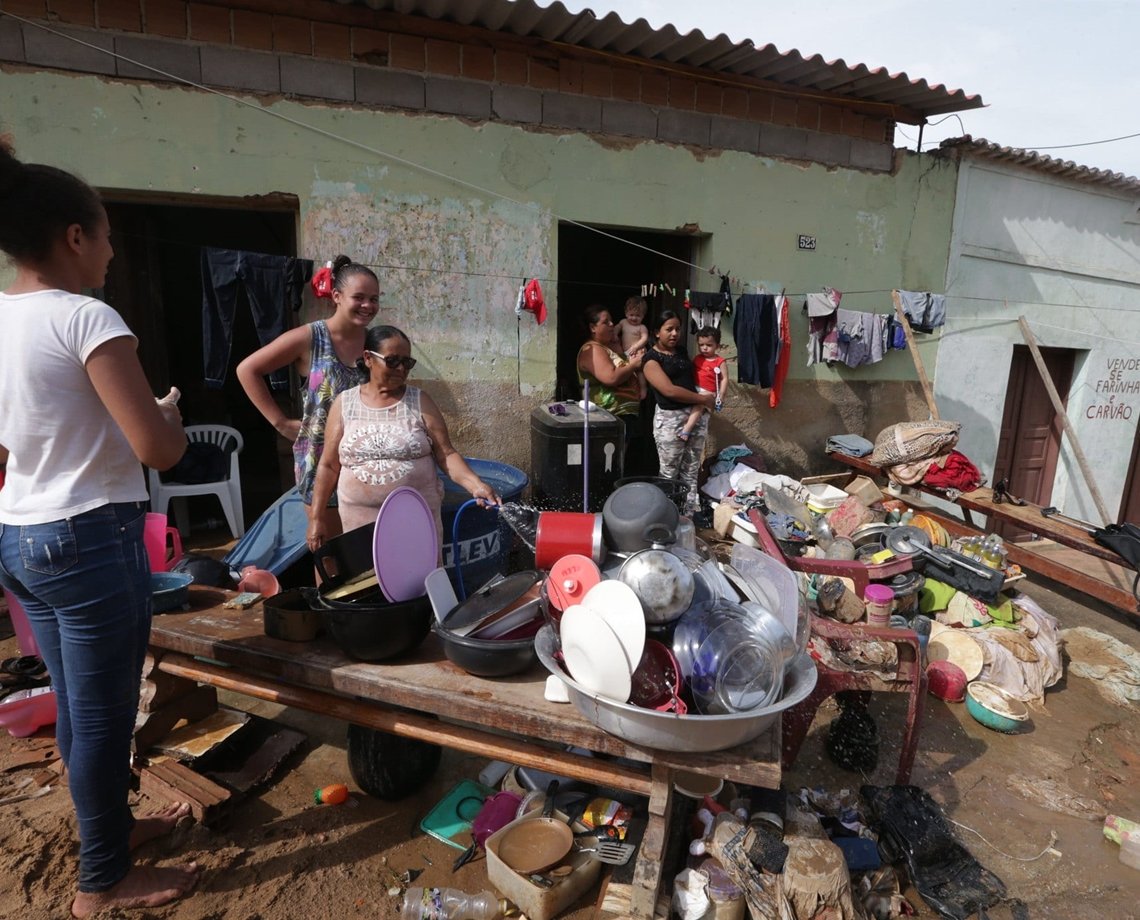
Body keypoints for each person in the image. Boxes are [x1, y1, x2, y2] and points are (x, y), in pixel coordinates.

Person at [0, 142, 200, 917]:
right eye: (108, 233)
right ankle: (102, 884)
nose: (114, 250)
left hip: (21, 535)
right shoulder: (87, 317)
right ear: (73, 237)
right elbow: (158, 450)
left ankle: (112, 834)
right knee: (103, 714)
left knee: (76, 707)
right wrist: (170, 419)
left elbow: (15, 443)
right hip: (87, 541)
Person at [307, 325, 500, 550]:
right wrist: (316, 518)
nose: (401, 368)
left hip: (415, 523)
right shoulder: (344, 404)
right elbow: (329, 466)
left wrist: (476, 485)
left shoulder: (420, 402)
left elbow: (446, 454)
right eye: (392, 361)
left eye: (407, 363)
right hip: (359, 524)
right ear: (368, 358)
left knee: (416, 583)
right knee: (368, 583)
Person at [237, 255, 379, 545]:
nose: (368, 306)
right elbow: (247, 370)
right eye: (359, 297)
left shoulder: (376, 343)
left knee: (369, 555)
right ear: (337, 297)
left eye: (374, 299)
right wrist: (280, 422)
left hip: (366, 465)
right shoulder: (311, 338)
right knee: (332, 557)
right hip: (319, 464)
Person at [641, 311, 716, 495]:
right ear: (657, 332)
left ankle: (687, 515)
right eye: (669, 329)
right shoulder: (651, 359)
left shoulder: (681, 351)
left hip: (694, 417)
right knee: (669, 472)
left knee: (691, 471)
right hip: (670, 420)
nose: (675, 333)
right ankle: (666, 515)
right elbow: (669, 390)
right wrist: (703, 399)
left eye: (677, 329)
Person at [576, 304, 645, 470]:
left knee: (616, 466)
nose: (612, 325)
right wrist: (633, 365)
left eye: (611, 321)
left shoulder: (607, 348)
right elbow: (611, 377)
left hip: (620, 418)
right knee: (608, 467)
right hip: (607, 419)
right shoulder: (591, 349)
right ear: (593, 327)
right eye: (606, 322)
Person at [680, 325, 728, 441]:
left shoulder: (719, 361)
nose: (704, 348)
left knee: (699, 405)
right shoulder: (697, 358)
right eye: (701, 345)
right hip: (695, 389)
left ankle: (686, 430)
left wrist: (721, 395)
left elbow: (724, 379)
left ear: (717, 345)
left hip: (709, 392)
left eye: (709, 345)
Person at [614, 295, 650, 399]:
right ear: (626, 313)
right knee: (625, 371)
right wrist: (615, 335)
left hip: (636, 353)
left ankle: (643, 388)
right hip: (624, 354)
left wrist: (636, 346)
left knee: (639, 372)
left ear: (643, 316)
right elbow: (616, 328)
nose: (634, 318)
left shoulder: (641, 327)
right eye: (631, 315)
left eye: (638, 315)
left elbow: (644, 338)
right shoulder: (623, 322)